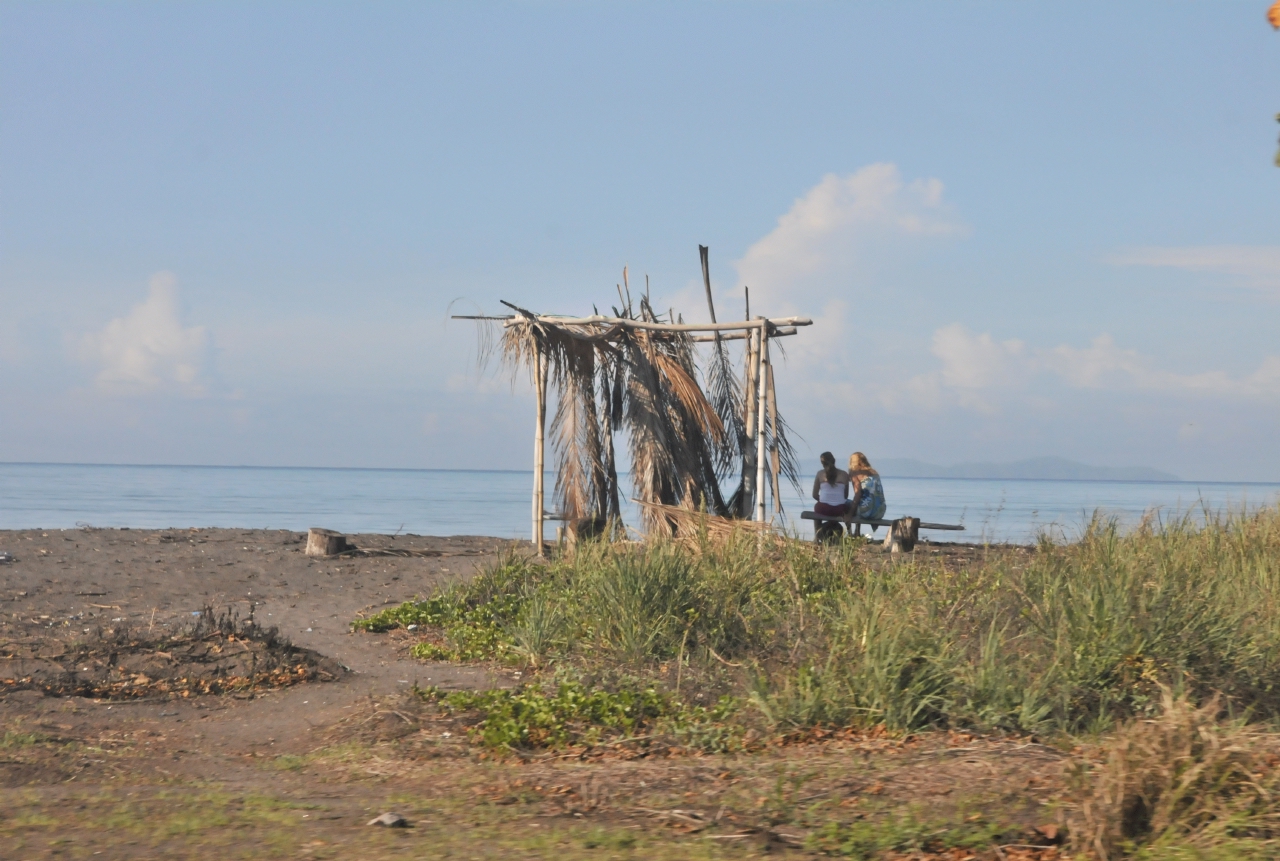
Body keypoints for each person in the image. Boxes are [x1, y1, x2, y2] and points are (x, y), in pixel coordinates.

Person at [846, 452, 887, 536]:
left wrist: (850, 514)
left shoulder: (855, 473)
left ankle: (850, 533)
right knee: (864, 501)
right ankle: (857, 532)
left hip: (866, 512)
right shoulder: (874, 472)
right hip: (880, 511)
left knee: (846, 504)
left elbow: (858, 495)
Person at [811, 452, 850, 518]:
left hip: (823, 509)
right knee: (849, 506)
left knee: (817, 507)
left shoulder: (820, 474)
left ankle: (817, 527)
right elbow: (845, 496)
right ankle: (849, 528)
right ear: (834, 460)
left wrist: (825, 500)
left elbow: (814, 495)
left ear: (822, 463)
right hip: (840, 509)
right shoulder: (844, 474)